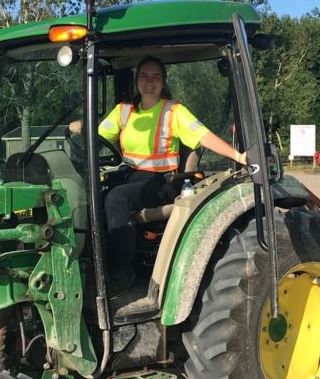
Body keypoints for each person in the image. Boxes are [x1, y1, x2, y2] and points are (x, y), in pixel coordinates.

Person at [93, 56, 247, 292]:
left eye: (155, 76)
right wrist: (79, 128)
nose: (149, 82)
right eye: (144, 76)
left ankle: (121, 273)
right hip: (131, 176)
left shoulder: (174, 112)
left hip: (161, 181)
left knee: (116, 199)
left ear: (163, 82)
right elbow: (99, 136)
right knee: (95, 193)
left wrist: (237, 157)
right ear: (136, 81)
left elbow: (203, 135)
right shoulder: (123, 111)